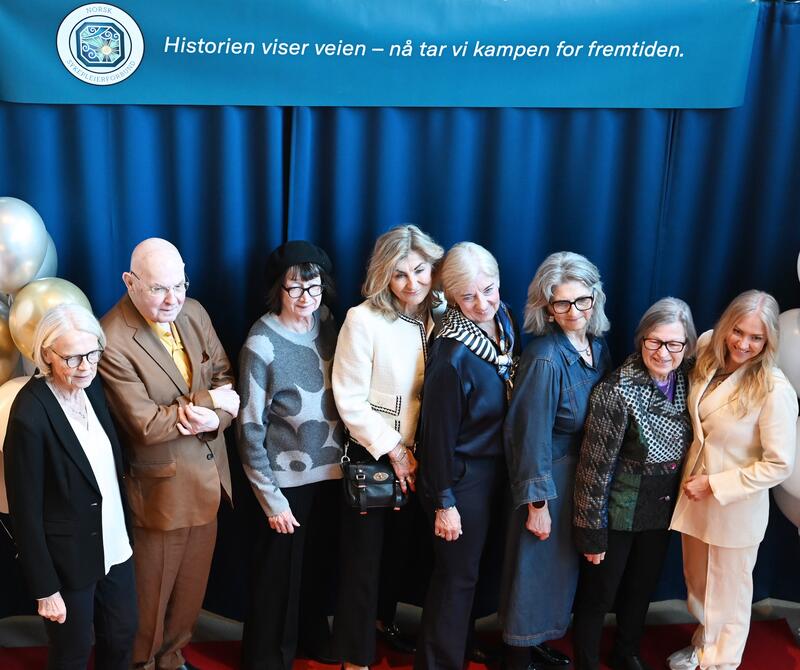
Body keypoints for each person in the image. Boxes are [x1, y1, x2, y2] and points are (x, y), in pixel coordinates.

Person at [99, 238, 240, 670]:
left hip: (210, 480)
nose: (172, 298)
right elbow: (145, 425)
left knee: (190, 594)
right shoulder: (112, 338)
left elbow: (226, 378)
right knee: (151, 602)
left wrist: (217, 418)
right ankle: (141, 665)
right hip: (159, 496)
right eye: (159, 288)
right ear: (130, 282)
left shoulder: (193, 312)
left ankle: (173, 660)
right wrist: (211, 404)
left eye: (179, 285)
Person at [331, 224, 444, 670]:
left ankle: (383, 624)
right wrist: (396, 452)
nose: (412, 284)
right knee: (364, 562)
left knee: (400, 555)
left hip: (425, 455)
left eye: (420, 271)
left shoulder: (441, 313)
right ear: (384, 277)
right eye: (400, 275)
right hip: (376, 454)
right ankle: (355, 656)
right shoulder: (363, 319)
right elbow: (350, 399)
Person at [668, 290, 797, 670]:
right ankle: (703, 646)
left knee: (729, 592)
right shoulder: (708, 346)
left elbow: (779, 465)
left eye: (756, 338)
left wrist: (714, 484)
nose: (743, 343)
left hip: (733, 506)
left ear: (769, 340)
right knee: (700, 586)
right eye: (738, 331)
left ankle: (720, 663)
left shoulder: (775, 389)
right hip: (693, 497)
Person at [3, 303, 136, 669]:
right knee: (72, 654)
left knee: (123, 636)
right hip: (67, 562)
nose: (86, 366)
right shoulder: (29, 413)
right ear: (46, 353)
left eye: (93, 352)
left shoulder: (91, 388)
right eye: (73, 358)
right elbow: (25, 512)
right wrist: (45, 588)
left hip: (115, 546)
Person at [499, 251, 612, 670]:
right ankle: (514, 658)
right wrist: (537, 504)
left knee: (558, 577)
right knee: (531, 575)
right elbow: (527, 435)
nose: (573, 312)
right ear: (547, 308)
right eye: (561, 303)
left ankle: (536, 645)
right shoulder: (545, 357)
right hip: (549, 480)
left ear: (594, 299)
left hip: (581, 481)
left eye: (582, 300)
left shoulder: (597, 347)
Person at [571, 297, 697, 670]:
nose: (662, 352)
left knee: (641, 590)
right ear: (641, 340)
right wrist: (591, 533)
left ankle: (626, 652)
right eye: (654, 341)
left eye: (674, 343)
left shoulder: (689, 380)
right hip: (617, 511)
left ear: (686, 346)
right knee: (599, 594)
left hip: (661, 508)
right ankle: (587, 661)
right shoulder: (616, 390)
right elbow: (593, 470)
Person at [237, 240, 343, 669]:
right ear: (277, 291)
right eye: (296, 290)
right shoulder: (261, 343)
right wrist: (271, 499)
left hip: (334, 475)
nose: (307, 299)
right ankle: (266, 658)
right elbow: (249, 428)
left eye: (314, 288)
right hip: (285, 482)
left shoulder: (331, 325)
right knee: (278, 579)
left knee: (320, 570)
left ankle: (315, 639)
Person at [414, 242, 518, 670]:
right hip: (460, 475)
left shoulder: (503, 321)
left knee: (479, 573)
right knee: (457, 579)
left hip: (497, 468)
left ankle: (463, 645)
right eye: (468, 297)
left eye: (488, 290)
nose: (482, 304)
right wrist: (444, 501)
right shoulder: (452, 352)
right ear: (452, 297)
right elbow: (436, 437)